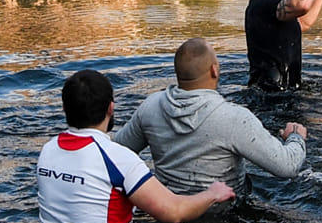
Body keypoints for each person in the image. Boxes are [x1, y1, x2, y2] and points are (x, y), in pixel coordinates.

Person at [37, 69, 235, 223]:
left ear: (65, 108)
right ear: (111, 108)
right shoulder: (117, 158)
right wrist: (213, 194)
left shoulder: (48, 151)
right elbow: (174, 212)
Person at [112, 39, 308, 196]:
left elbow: (115, 153)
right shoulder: (234, 118)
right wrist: (296, 137)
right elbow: (287, 167)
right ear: (215, 70)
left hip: (169, 208)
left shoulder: (150, 107)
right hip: (226, 216)